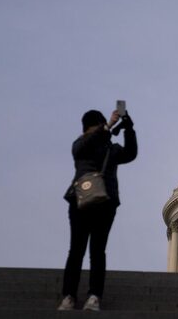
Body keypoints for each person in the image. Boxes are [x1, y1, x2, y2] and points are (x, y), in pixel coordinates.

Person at [58, 108, 137, 311]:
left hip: (105, 202)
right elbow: (84, 145)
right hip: (80, 201)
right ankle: (69, 295)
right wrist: (107, 126)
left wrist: (129, 129)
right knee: (76, 249)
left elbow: (130, 153)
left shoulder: (110, 149)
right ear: (90, 128)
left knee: (97, 251)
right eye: (99, 126)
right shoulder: (81, 145)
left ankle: (94, 295)